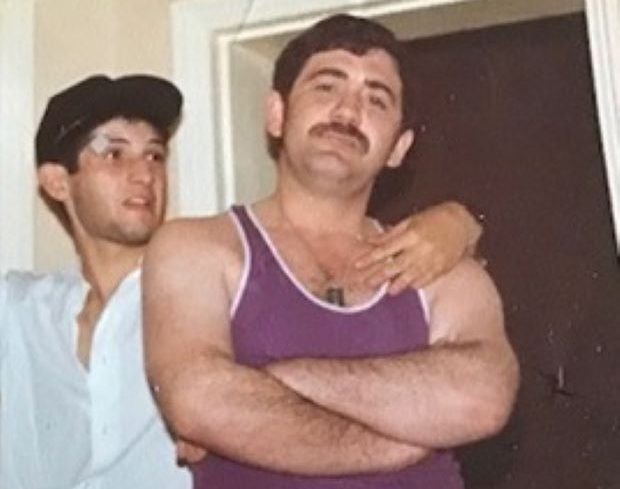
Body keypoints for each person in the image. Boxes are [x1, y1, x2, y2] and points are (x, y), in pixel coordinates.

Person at [0, 74, 480, 488]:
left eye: (155, 155)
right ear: (56, 182)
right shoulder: (24, 309)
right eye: (114, 154)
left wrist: (461, 221)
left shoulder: (216, 286)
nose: (144, 174)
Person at [142, 13, 519, 489]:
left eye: (376, 99)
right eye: (326, 86)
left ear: (398, 147)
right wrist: (403, 442)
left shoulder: (441, 268)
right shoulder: (196, 247)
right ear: (277, 114)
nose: (347, 110)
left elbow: (482, 399)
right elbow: (199, 399)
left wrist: (277, 379)